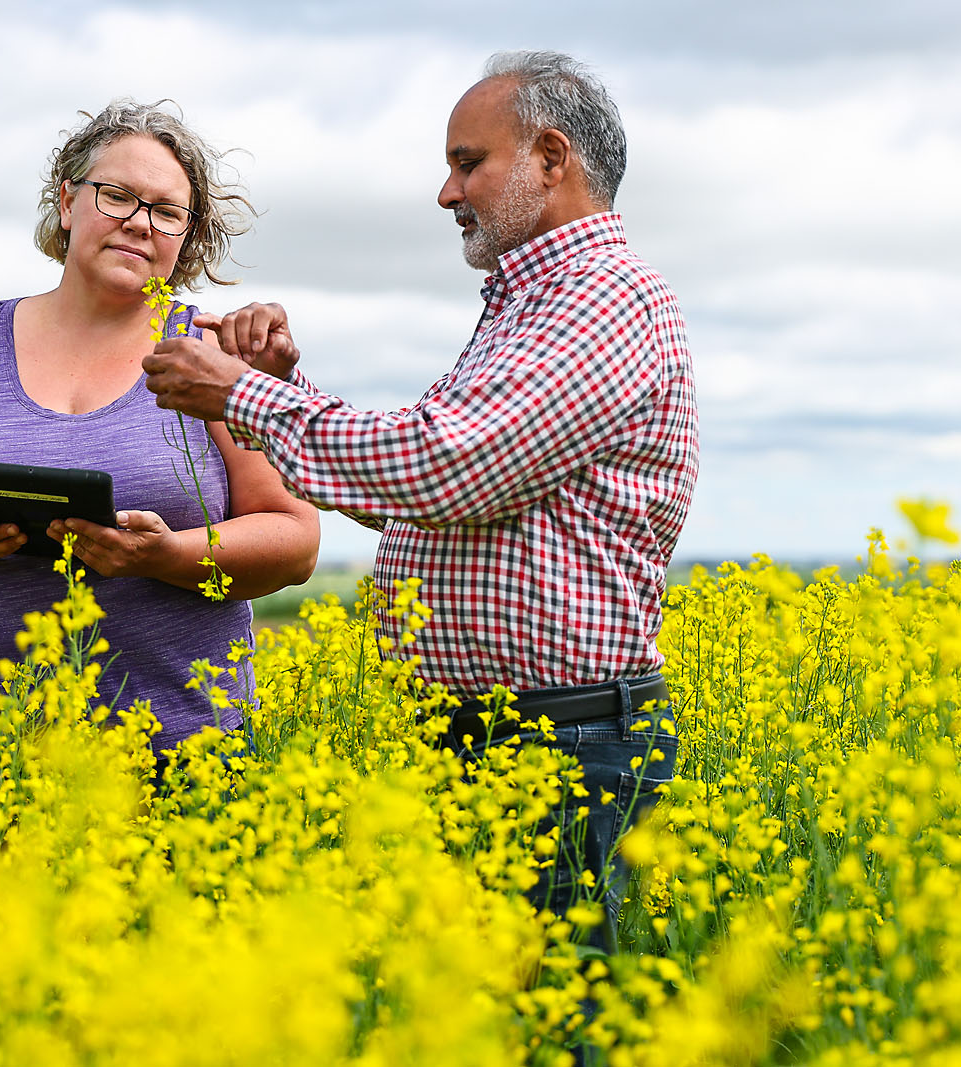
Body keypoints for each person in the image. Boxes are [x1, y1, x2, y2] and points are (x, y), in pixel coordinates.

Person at [142, 52, 699, 945]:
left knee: (552, 1009)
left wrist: (241, 396)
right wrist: (279, 383)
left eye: (468, 163)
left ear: (551, 158)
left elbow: (445, 465)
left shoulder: (603, 300)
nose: (447, 193)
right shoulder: (530, 306)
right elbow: (417, 497)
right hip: (503, 740)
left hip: (561, 747)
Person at [0, 100, 319, 763]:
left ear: (187, 235)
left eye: (166, 211)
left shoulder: (213, 355)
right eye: (116, 196)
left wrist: (166, 556)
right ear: (67, 202)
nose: (139, 223)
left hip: (178, 758)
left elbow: (294, 539)